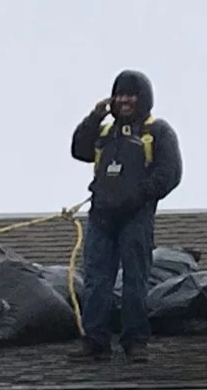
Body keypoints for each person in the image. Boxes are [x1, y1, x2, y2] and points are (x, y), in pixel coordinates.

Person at [70, 70, 182, 361]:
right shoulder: (105, 132)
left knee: (135, 278)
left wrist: (140, 194)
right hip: (101, 218)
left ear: (142, 97)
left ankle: (135, 342)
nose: (124, 100)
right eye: (119, 94)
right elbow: (79, 149)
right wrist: (94, 117)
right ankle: (95, 341)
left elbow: (170, 173)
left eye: (130, 94)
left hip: (136, 217)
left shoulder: (157, 131)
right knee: (96, 279)